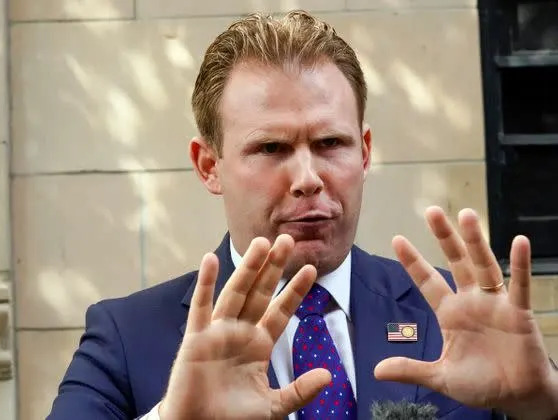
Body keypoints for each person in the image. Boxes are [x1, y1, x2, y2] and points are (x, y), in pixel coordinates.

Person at [47, 10, 558, 419]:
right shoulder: (127, 336)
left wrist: (542, 404)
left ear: (364, 152)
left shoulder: (453, 320)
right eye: (271, 147)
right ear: (209, 166)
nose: (308, 177)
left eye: (330, 142)